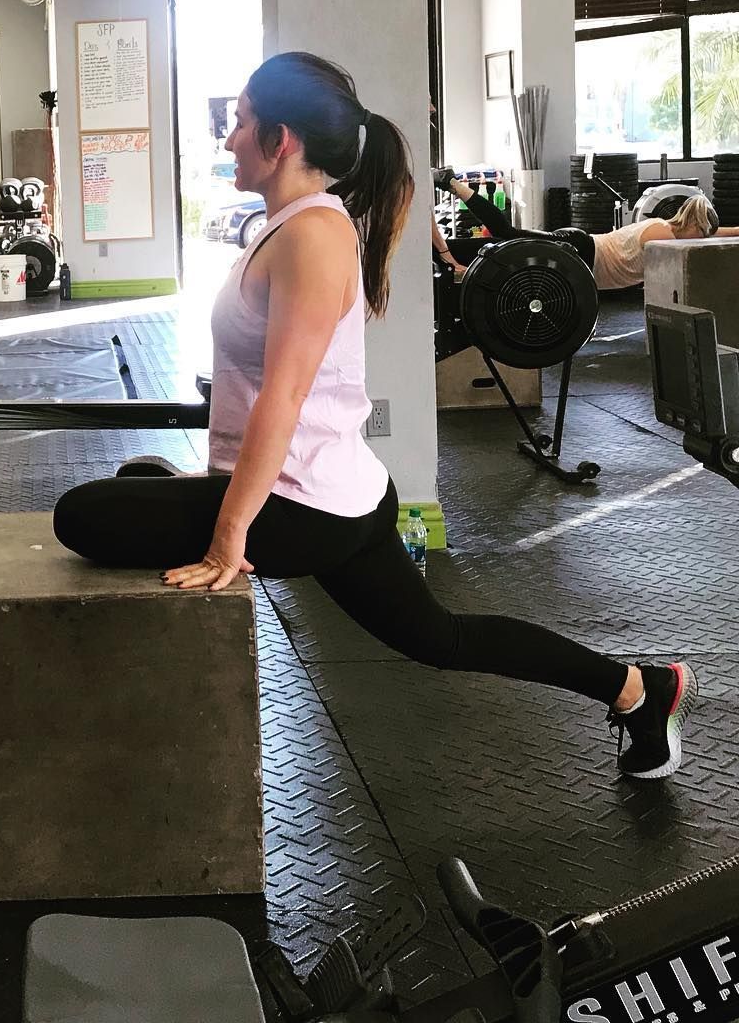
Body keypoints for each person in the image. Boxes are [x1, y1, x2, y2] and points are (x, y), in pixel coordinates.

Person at [54, 52, 695, 784]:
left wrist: (227, 535)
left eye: (238, 124)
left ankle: (640, 689)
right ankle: (640, 690)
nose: (227, 139)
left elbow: (284, 399)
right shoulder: (284, 227)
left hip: (303, 504)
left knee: (82, 515)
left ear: (281, 139)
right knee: (438, 637)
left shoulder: (312, 235)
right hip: (335, 492)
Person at [434, 169, 739, 287]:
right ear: (692, 225)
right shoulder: (664, 236)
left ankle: (438, 253)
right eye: (700, 233)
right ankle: (451, 182)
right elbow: (703, 240)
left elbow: (714, 234)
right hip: (579, 251)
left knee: (501, 253)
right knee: (508, 236)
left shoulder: (674, 229)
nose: (701, 240)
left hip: (582, 252)